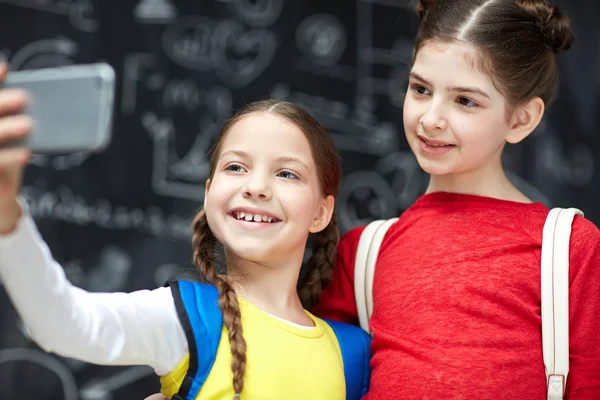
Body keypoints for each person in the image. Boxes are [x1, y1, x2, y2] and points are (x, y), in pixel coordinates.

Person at [0, 82, 371, 400]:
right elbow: (64, 323)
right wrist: (7, 216)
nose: (256, 187)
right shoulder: (186, 317)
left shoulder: (354, 355)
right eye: (236, 167)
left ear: (321, 212)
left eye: (287, 173)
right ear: (209, 195)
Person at [312, 0, 600, 398]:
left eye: (465, 100)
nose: (431, 118)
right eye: (420, 89)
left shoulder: (570, 247)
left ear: (521, 120)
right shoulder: (363, 254)